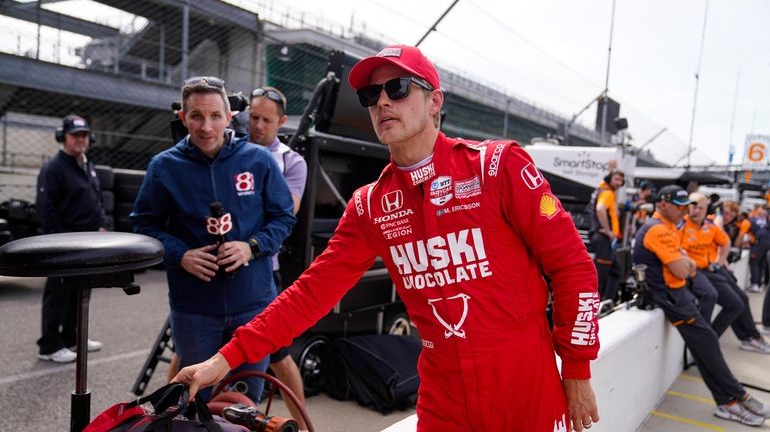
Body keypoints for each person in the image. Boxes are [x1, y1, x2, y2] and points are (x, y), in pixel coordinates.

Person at [173, 45, 601, 432]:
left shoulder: (497, 167)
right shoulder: (370, 205)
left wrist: (577, 369)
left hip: (524, 390)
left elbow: (573, 267)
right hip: (444, 401)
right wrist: (222, 360)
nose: (381, 101)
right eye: (370, 95)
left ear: (435, 101)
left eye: (397, 88)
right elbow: (310, 293)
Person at [130, 76, 296, 403]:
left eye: (215, 116)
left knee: (245, 404)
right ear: (183, 117)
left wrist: (251, 247)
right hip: (194, 308)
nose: (206, 127)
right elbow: (143, 225)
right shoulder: (164, 167)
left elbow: (284, 217)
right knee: (196, 401)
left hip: (253, 304)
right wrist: (180, 255)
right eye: (196, 116)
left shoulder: (258, 160)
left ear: (230, 116)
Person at [633, 185, 769, 426]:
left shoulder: (667, 227)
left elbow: (687, 265)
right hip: (672, 298)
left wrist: (686, 264)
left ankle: (727, 403)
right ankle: (739, 396)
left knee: (704, 346)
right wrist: (685, 264)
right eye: (679, 206)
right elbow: (682, 269)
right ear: (663, 204)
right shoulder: (658, 230)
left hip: (678, 295)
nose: (683, 212)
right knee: (707, 343)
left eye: (686, 207)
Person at [247, 85, 309, 431]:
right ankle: (172, 420)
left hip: (262, 267)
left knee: (279, 353)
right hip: (217, 264)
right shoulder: (227, 148)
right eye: (253, 117)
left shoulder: (290, 161)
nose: (257, 125)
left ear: (281, 122)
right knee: (190, 348)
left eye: (265, 120)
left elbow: (287, 211)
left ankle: (301, 426)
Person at [35, 115, 107, 363]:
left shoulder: (87, 164)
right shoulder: (54, 168)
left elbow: (95, 199)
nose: (81, 139)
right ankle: (49, 346)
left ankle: (71, 338)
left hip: (87, 243)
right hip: (63, 244)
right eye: (75, 135)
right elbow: (46, 209)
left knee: (79, 292)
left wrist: (101, 224)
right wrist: (58, 244)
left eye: (84, 135)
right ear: (62, 137)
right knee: (58, 293)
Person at [679, 193, 769, 353]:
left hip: (712, 268)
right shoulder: (681, 225)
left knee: (739, 301)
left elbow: (725, 242)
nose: (697, 211)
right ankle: (714, 343)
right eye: (694, 206)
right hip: (696, 273)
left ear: (706, 209)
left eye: (701, 208)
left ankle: (721, 340)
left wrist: (720, 262)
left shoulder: (709, 225)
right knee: (725, 299)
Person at [588, 168, 625, 302]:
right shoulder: (608, 193)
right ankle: (598, 304)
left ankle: (607, 301)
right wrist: (608, 230)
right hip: (602, 238)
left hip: (603, 239)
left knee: (617, 270)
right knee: (601, 275)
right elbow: (600, 209)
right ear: (609, 179)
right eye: (616, 179)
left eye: (621, 180)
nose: (619, 183)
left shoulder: (603, 191)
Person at [747, 206, 770, 293]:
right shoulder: (766, 221)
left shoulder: (753, 220)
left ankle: (755, 283)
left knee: (755, 262)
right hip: (767, 242)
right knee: (762, 263)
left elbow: (750, 230)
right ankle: (759, 284)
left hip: (759, 242)